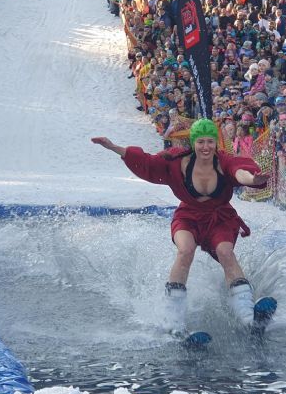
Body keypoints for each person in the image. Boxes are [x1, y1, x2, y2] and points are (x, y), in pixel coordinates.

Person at [91, 118, 270, 332]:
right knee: (185, 251)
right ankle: (173, 319)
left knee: (226, 252)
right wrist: (114, 148)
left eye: (210, 142)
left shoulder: (223, 161)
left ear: (216, 143)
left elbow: (240, 171)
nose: (206, 147)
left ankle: (247, 316)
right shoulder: (178, 161)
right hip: (188, 216)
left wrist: (252, 180)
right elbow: (147, 162)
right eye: (201, 142)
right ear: (193, 143)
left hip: (219, 218)